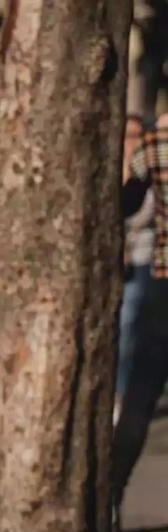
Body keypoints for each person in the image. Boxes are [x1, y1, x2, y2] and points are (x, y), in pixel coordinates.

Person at [113, 112, 168, 532]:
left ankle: (110, 492)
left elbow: (127, 202)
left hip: (164, 285)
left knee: (139, 400)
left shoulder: (156, 143)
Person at [114, 115, 154, 424]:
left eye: (137, 135)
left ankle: (120, 395)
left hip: (139, 257)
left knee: (128, 327)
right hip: (110, 259)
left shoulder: (146, 170)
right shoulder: (108, 166)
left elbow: (143, 214)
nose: (131, 141)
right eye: (127, 134)